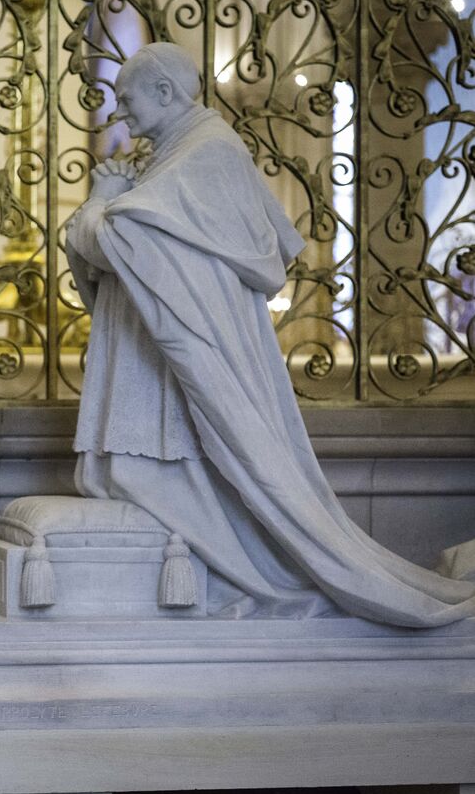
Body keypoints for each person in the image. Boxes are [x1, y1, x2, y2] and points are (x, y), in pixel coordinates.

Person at [65, 43, 475, 625]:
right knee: (130, 477)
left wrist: (101, 203)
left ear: (164, 92)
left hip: (174, 386)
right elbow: (128, 249)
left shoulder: (204, 154)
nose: (118, 111)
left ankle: (254, 576)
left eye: (126, 98)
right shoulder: (178, 155)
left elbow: (116, 242)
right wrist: (107, 212)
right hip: (156, 372)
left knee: (156, 480)